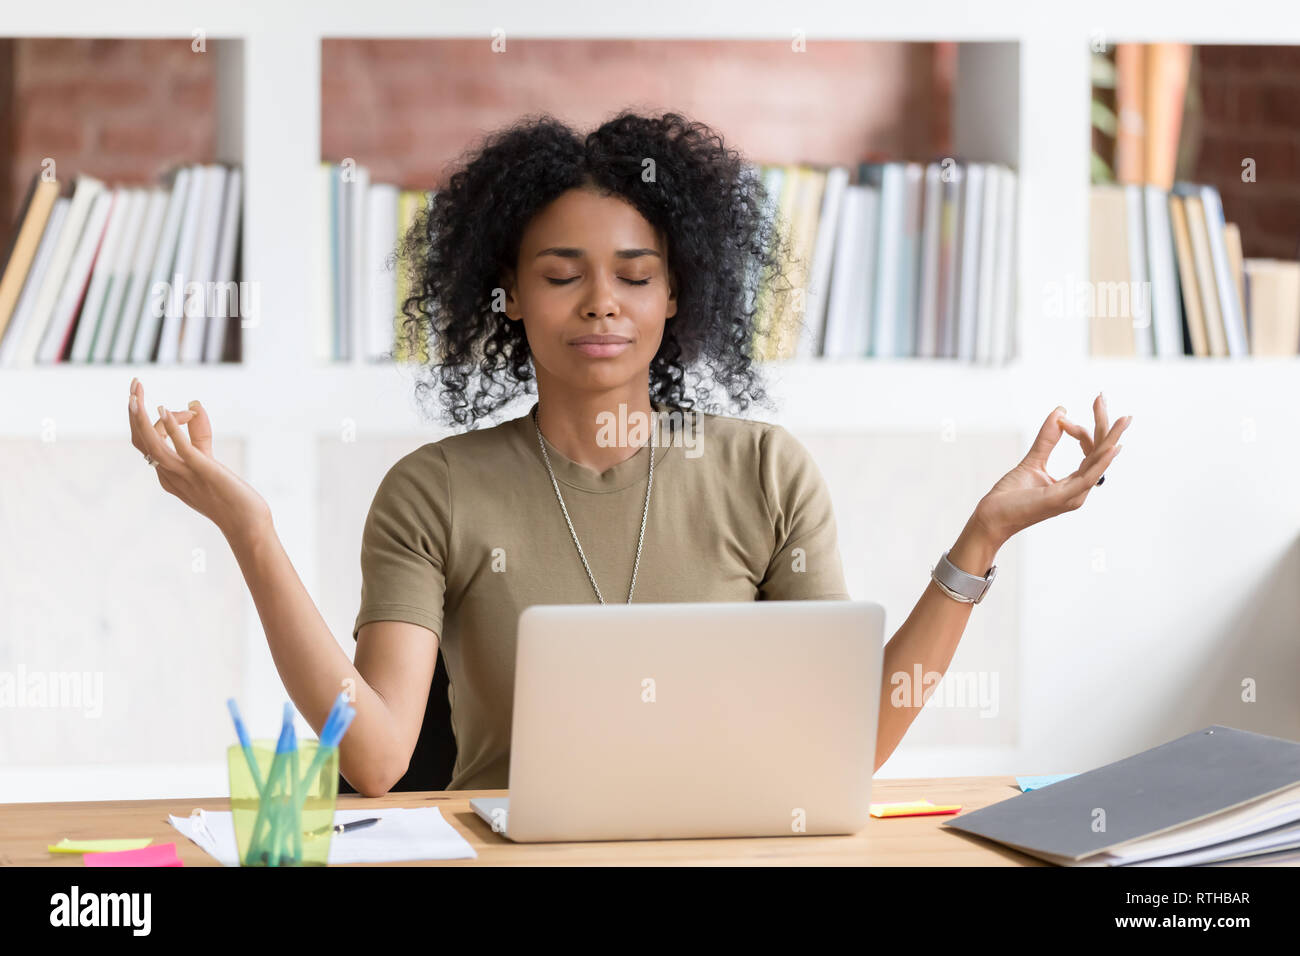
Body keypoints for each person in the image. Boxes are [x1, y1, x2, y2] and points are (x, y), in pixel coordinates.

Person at [126, 110, 1131, 796]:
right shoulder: (433, 490)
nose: (601, 301)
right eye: (561, 274)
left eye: (634, 275)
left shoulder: (765, 473)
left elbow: (848, 742)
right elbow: (380, 759)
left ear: (677, 292)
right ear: (508, 295)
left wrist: (982, 535)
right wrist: (249, 530)